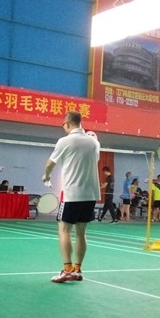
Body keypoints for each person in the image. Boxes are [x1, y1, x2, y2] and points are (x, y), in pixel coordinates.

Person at [43, 111, 100, 283]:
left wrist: (46, 176)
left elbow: (50, 163)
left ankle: (67, 270)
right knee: (81, 234)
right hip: (90, 195)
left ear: (67, 124)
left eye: (63, 125)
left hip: (71, 195)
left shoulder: (64, 141)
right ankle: (77, 270)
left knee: (64, 230)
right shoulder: (93, 142)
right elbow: (95, 160)